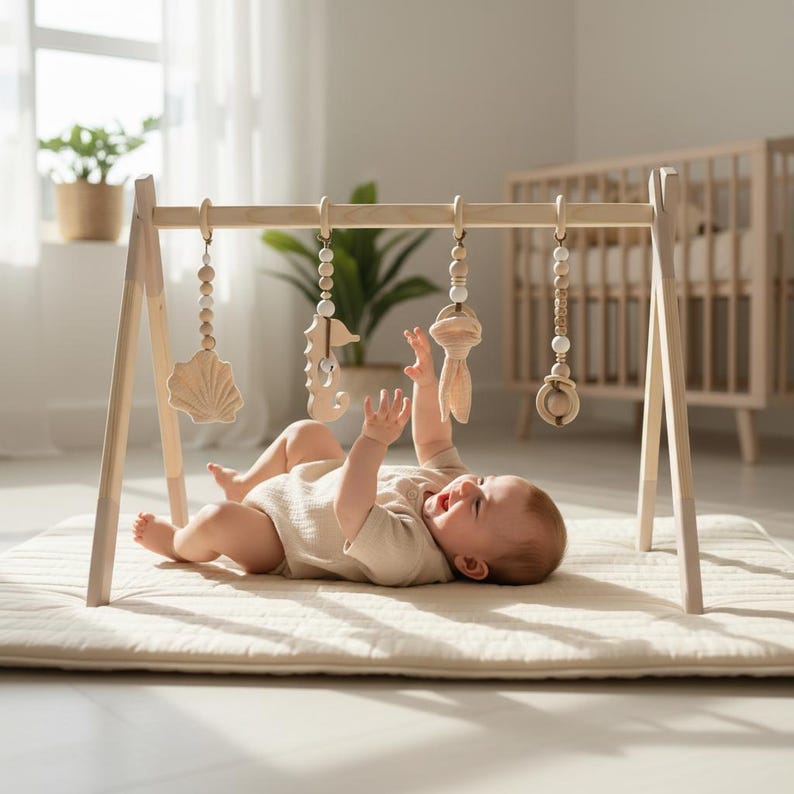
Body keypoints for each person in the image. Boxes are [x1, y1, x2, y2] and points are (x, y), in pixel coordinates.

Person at [133, 327, 567, 586]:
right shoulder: (448, 488)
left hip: (283, 538)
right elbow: (434, 443)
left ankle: (177, 542)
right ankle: (249, 484)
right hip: (314, 483)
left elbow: (351, 508)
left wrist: (373, 442)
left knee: (217, 519)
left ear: (470, 564)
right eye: (485, 480)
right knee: (307, 432)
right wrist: (427, 384)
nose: (469, 484)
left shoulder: (409, 556)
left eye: (477, 504)